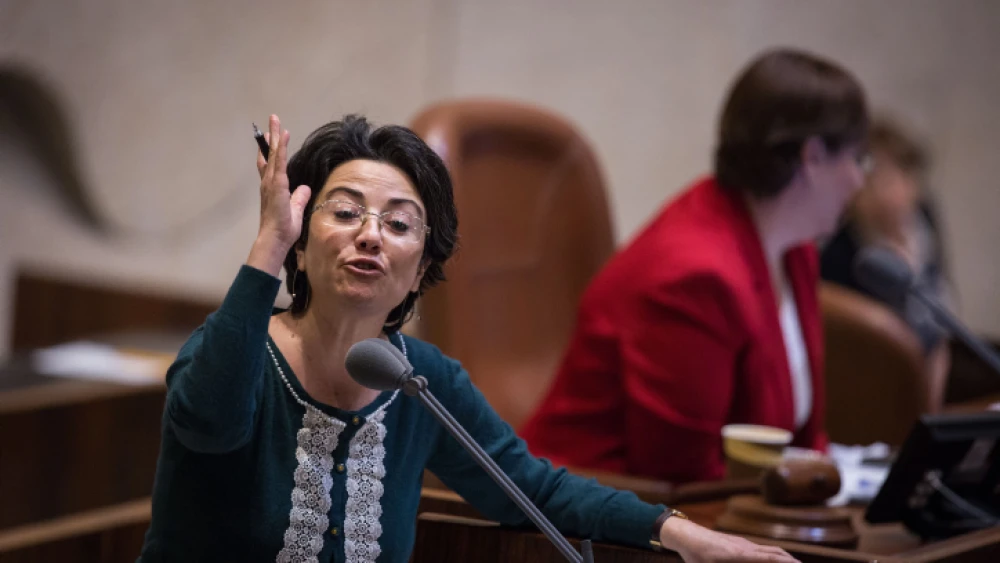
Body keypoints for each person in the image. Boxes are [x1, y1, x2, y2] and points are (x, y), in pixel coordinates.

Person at [137, 114, 797, 562]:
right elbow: (210, 424)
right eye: (345, 212)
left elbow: (533, 490)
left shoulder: (421, 382)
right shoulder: (231, 352)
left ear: (420, 270)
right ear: (301, 248)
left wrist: (681, 533)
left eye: (400, 224)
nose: (371, 234)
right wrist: (267, 244)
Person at [521, 48, 871, 484]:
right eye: (857, 159)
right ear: (813, 156)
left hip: (725, 504)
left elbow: (799, 440)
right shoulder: (695, 274)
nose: (860, 180)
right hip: (585, 508)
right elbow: (682, 476)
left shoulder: (794, 249)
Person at [821, 117, 951, 355]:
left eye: (894, 178)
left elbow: (942, 296)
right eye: (871, 182)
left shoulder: (925, 220)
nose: (883, 194)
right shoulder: (838, 253)